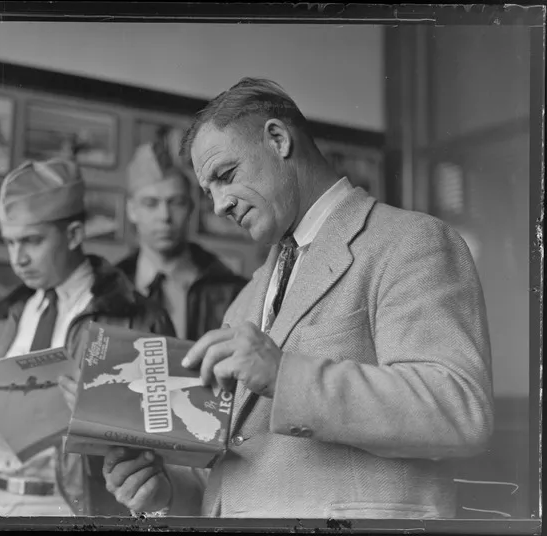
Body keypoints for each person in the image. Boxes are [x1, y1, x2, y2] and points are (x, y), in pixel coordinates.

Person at [100, 78, 494, 518]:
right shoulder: (246, 298)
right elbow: (246, 470)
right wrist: (169, 491)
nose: (218, 206)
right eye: (207, 191)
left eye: (225, 176)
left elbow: (459, 409)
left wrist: (283, 374)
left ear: (278, 139)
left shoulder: (410, 241)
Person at [0, 158, 175, 517]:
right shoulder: (3, 322)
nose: (18, 259)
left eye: (31, 241)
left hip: (78, 511)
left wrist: (100, 408)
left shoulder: (138, 319)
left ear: (75, 234)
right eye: (10, 243)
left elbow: (168, 443)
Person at [117, 135, 248, 341]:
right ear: (131, 210)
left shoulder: (231, 290)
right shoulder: (110, 288)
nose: (164, 216)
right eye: (150, 203)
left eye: (176, 202)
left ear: (190, 208)